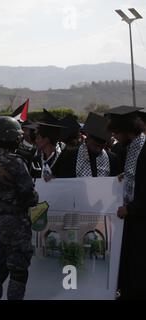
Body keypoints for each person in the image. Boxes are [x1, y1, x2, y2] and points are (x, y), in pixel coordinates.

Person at [0, 116, 38, 300]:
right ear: (13, 138)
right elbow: (30, 197)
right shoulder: (16, 162)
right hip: (16, 224)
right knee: (18, 272)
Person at [105, 106, 146, 299]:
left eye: (116, 132)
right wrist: (128, 177)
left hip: (140, 223)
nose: (115, 137)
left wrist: (129, 208)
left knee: (137, 273)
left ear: (126, 130)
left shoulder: (143, 150)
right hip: (134, 221)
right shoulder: (136, 147)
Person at [53, 112, 120, 178]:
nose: (99, 149)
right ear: (87, 137)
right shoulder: (69, 155)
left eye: (102, 145)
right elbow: (57, 178)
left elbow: (116, 180)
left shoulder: (112, 159)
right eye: (95, 145)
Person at [31, 110, 64, 180]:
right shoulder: (36, 160)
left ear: (47, 139)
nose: (36, 141)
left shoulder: (62, 160)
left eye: (38, 138)